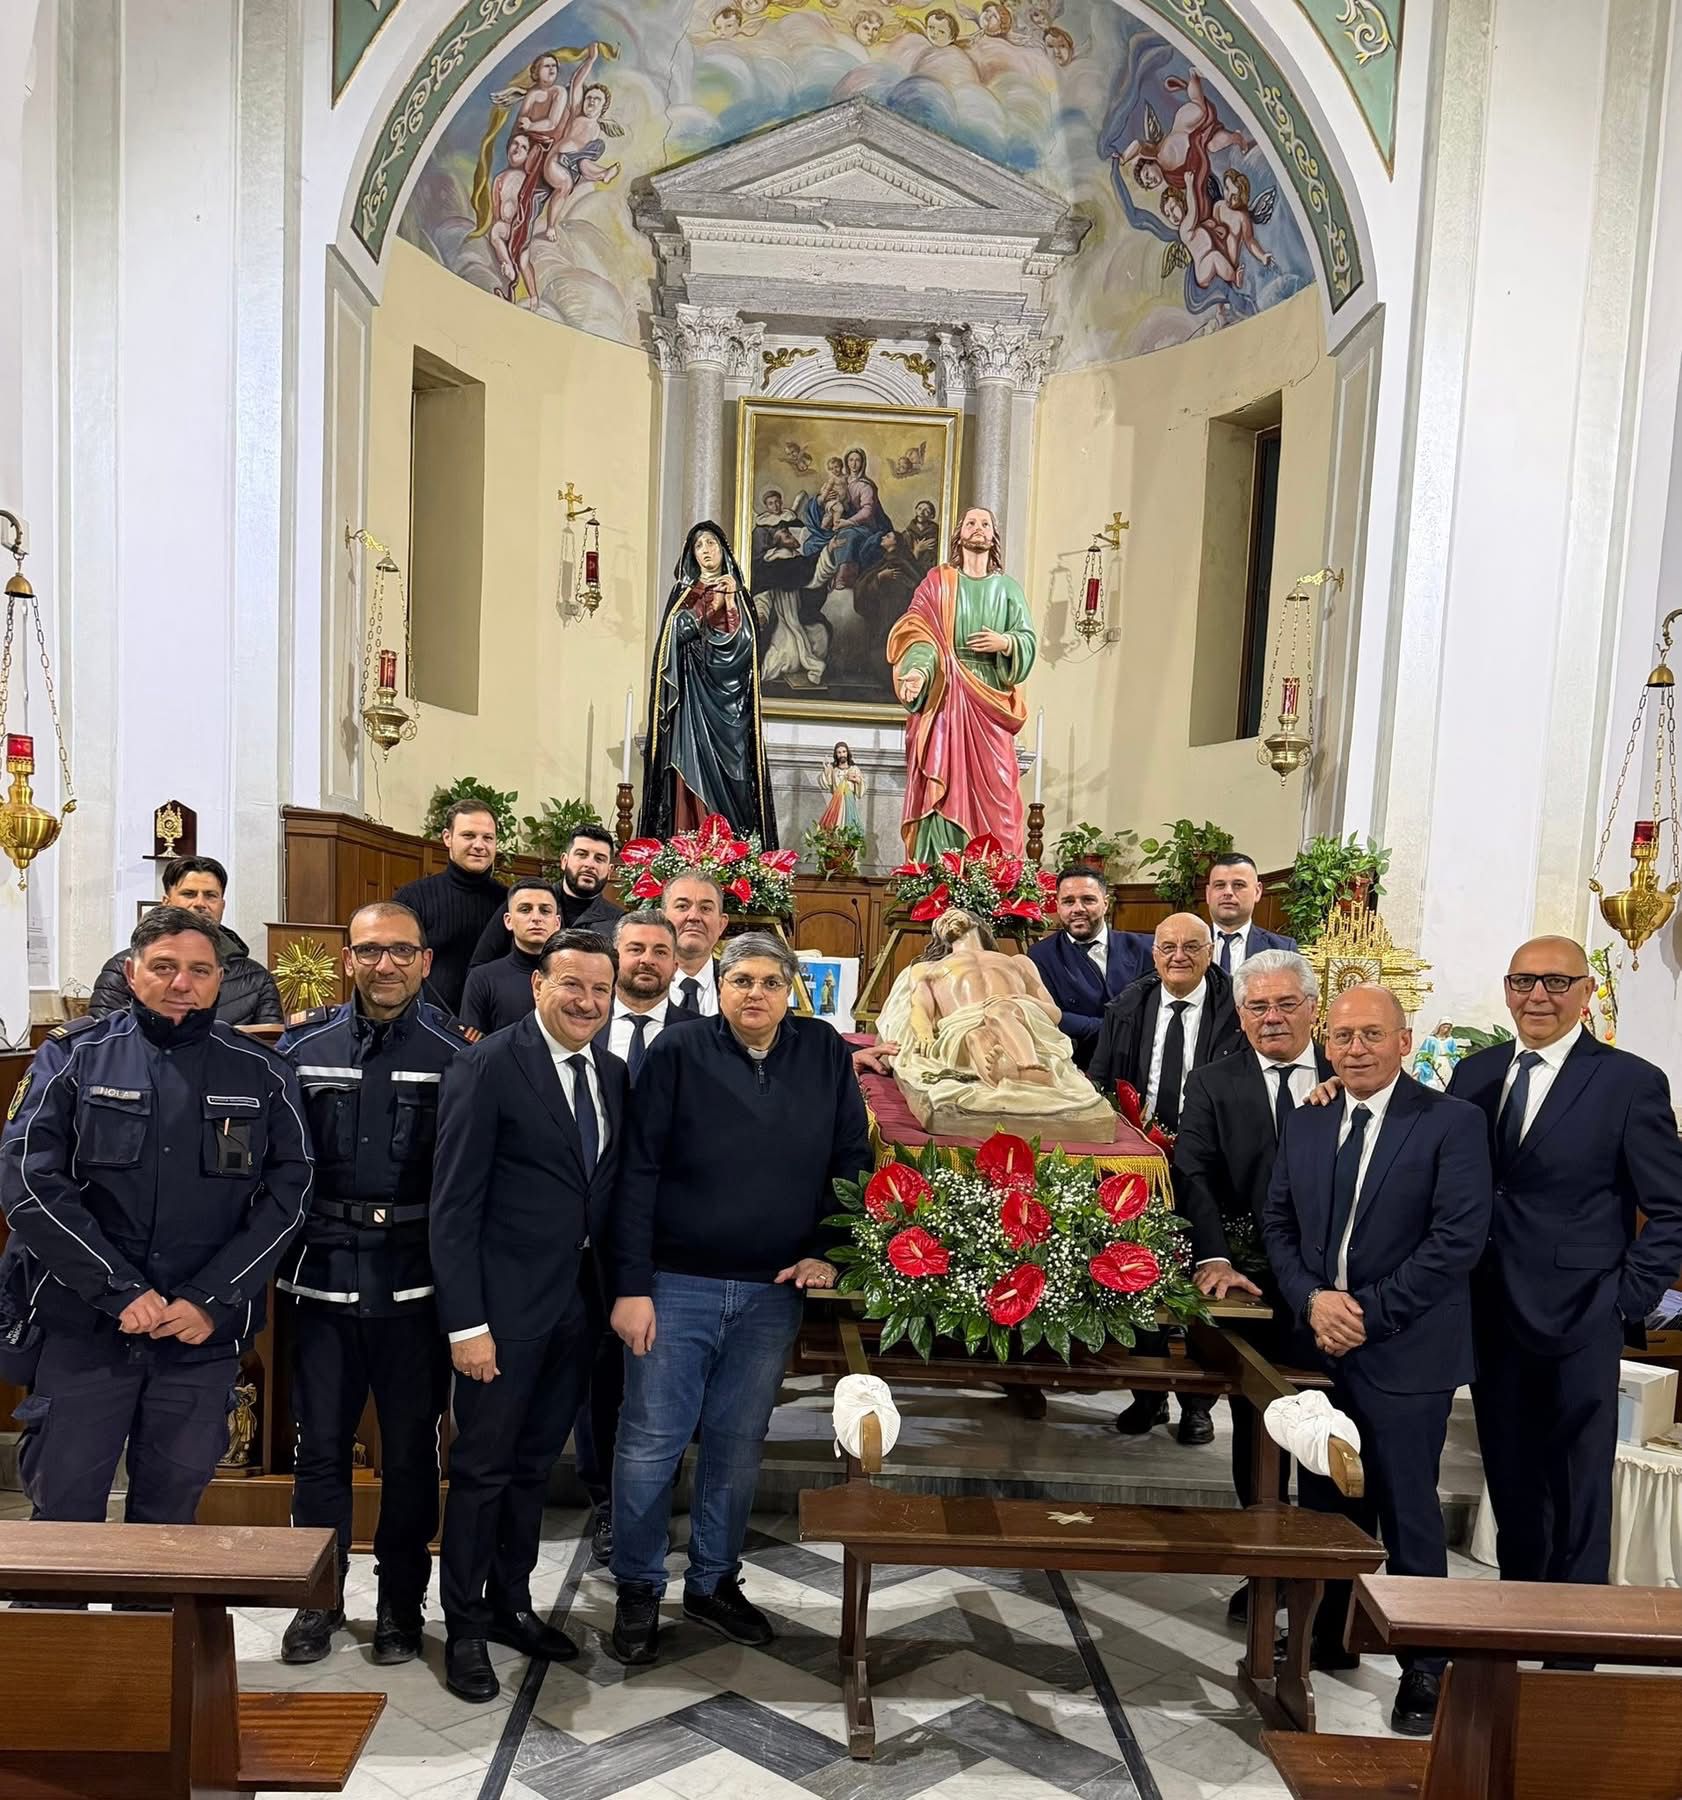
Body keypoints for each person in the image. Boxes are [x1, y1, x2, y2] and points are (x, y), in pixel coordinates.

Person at [0, 906, 310, 1526]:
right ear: (132, 971)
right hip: (85, 1328)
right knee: (64, 1515)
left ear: (219, 979)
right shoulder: (74, 1057)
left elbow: (289, 1196)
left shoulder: (262, 1071)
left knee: (169, 1523)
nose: (181, 983)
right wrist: (118, 1288)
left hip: (199, 1335)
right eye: (164, 966)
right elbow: (28, 1182)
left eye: (199, 970)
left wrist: (210, 1298)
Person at [609, 933, 872, 1666]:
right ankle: (637, 1588)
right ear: (718, 988)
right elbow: (638, 1168)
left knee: (737, 1443)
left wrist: (829, 1249)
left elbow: (851, 1155)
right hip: (675, 1284)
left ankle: (713, 1583)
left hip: (772, 1290)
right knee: (650, 1443)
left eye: (769, 982)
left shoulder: (823, 1052)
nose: (755, 993)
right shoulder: (678, 1050)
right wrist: (630, 1285)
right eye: (741, 981)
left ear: (791, 991)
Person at [1263, 985, 1491, 1737]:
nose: (1355, 1048)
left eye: (1371, 1034)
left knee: (1408, 1508)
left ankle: (1425, 1663)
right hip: (1320, 1346)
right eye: (1342, 1036)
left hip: (1405, 1346)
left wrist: (1364, 1313)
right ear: (1325, 1043)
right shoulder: (1309, 1118)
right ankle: (1329, 1634)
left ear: (1404, 1040)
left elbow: (1457, 1239)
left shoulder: (1451, 1122)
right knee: (1326, 1503)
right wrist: (1312, 1301)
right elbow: (1278, 1223)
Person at [428, 927, 627, 1703]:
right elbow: (453, 1208)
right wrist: (466, 1325)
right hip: (501, 1315)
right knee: (482, 1471)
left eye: (600, 990)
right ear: (538, 985)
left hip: (577, 1309)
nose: (587, 1001)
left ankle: (511, 1603)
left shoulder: (611, 1072)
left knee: (534, 1465)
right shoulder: (485, 1066)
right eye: (572, 985)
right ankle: (464, 1627)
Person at [1448, 935, 1682, 1591]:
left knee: (1577, 1490)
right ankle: (1521, 1612)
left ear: (1586, 992)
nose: (1538, 996)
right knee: (1511, 1479)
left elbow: (1671, 1209)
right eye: (1523, 981)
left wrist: (1624, 1300)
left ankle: (1575, 1634)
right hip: (1489, 1311)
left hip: (1582, 1312)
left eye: (1556, 982)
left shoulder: (1629, 1082)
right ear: (1507, 989)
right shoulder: (1475, 1074)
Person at [274, 902, 474, 1666]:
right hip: (323, 1281)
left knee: (413, 1455)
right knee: (319, 1450)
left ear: (424, 961)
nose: (384, 965)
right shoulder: (303, 1049)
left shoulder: (456, 1055)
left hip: (414, 1286)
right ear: (347, 959)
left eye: (399, 951)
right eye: (369, 951)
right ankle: (316, 1600)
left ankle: (399, 1606)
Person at [1173, 949, 1332, 1618]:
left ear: (1312, 1009)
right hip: (1253, 1280)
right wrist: (1213, 1256)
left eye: (1286, 1004)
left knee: (1331, 1420)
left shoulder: (1351, 1073)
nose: (1272, 1018)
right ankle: (1264, 1562)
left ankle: (1325, 1575)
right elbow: (1194, 1173)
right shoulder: (1213, 1082)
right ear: (1239, 1015)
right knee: (1259, 1417)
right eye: (1258, 1006)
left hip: (1339, 1288)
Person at [577, 908, 703, 1563]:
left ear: (677, 963)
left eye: (660, 950)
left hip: (669, 1231)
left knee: (661, 1373)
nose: (647, 959)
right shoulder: (578, 1025)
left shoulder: (701, 1035)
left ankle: (655, 1497)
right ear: (614, 955)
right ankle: (605, 1501)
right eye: (635, 948)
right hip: (588, 1235)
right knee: (598, 1373)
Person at [1091, 914, 1239, 1444]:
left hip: (1213, 1164)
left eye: (1191, 946)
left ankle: (1198, 1404)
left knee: (1205, 1281)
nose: (1179, 956)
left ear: (1210, 952)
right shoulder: (1128, 1006)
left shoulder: (1236, 1009)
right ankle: (1149, 1394)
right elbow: (1100, 1081)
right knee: (1138, 1274)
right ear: (1153, 954)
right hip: (1141, 1162)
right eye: (1168, 946)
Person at [889, 505, 1036, 859]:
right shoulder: (938, 583)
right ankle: (939, 870)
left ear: (994, 536)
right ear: (960, 534)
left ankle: (994, 873)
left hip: (989, 697)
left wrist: (1006, 643)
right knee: (942, 778)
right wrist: (918, 672)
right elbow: (919, 632)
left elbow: (1027, 639)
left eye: (985, 523)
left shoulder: (1007, 589)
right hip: (944, 695)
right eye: (971, 522)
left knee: (1000, 788)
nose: (978, 528)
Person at [639, 521, 779, 846]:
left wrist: (728, 602)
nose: (705, 550)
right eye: (699, 545)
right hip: (690, 700)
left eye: (711, 543)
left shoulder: (738, 594)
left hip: (729, 705)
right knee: (686, 762)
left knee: (736, 776)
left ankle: (730, 845)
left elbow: (746, 647)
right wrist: (704, 608)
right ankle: (685, 842)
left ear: (723, 551)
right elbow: (672, 636)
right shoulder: (684, 595)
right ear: (692, 554)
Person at [88, 855, 282, 1027]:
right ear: (166, 902)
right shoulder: (121, 969)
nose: (200, 903)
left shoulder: (256, 979)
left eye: (210, 896)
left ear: (222, 906)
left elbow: (268, 1047)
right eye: (189, 894)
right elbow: (106, 1043)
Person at [1026, 868, 1152, 1070]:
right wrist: (1115, 1030)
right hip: (1079, 1066)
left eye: (1088, 900)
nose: (1078, 909)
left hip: (1142, 1062)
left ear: (1106, 904)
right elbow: (1050, 1017)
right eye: (1068, 902)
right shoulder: (1041, 955)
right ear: (1058, 906)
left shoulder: (1145, 948)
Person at [393, 801, 507, 1015]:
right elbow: (396, 965)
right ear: (447, 838)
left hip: (492, 1026)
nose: (479, 845)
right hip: (426, 1023)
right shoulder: (412, 898)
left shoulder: (509, 902)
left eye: (488, 838)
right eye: (469, 835)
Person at [467, 824, 622, 970]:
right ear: (564, 861)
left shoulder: (617, 922)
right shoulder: (523, 902)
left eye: (599, 859)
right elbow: (480, 966)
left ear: (609, 871)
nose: (590, 864)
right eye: (582, 854)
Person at [461, 882, 560, 1035]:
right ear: (508, 921)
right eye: (525, 910)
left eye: (545, 911)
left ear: (557, 923)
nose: (536, 918)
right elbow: (469, 1046)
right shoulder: (482, 979)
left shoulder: (575, 977)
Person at [1205, 853, 1296, 975]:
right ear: (1208, 893)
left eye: (1238, 885)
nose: (1228, 892)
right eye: (1220, 885)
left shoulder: (1282, 950)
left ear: (1257, 892)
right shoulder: (1187, 947)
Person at [664, 870, 726, 1018]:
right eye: (682, 906)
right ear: (662, 920)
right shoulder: (638, 980)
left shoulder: (738, 984)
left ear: (722, 924)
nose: (694, 917)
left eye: (705, 908)